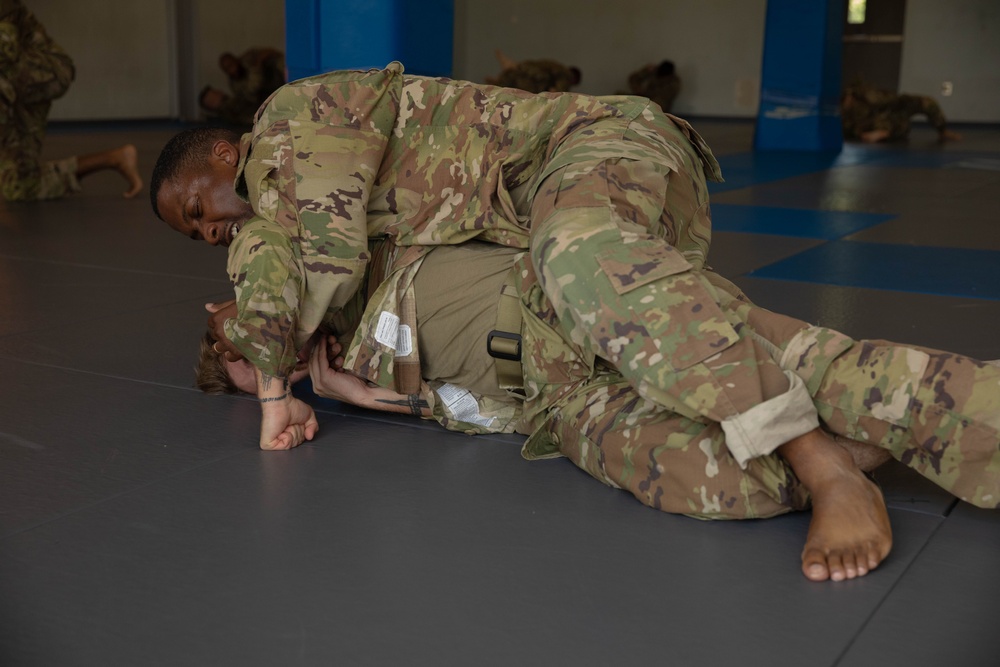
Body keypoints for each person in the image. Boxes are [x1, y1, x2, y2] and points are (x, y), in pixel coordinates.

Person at [150, 63, 1000, 584]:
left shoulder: (287, 141)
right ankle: (849, 442)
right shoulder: (353, 293)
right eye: (195, 237)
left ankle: (820, 461)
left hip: (587, 158)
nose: (208, 232)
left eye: (197, 211)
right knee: (695, 475)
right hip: (562, 383)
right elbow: (468, 409)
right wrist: (343, 390)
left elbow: (283, 264)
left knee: (584, 258)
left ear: (223, 157)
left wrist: (271, 390)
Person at [0, 0, 142, 201]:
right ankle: (114, 159)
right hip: (14, 86)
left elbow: (7, 51)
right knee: (19, 186)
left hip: (48, 70)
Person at [840, 82, 961, 144]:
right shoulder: (845, 116)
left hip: (896, 108)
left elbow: (890, 99)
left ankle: (942, 131)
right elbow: (853, 131)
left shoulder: (867, 96)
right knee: (885, 122)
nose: (849, 100)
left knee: (927, 102)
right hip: (889, 124)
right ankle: (884, 132)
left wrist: (941, 128)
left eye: (850, 97)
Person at [199, 47, 285, 127]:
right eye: (215, 94)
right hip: (269, 112)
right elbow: (253, 90)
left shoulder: (247, 59)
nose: (220, 91)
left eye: (231, 64)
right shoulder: (231, 109)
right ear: (212, 104)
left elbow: (270, 53)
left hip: (276, 82)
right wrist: (258, 65)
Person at [485, 49, 581, 93]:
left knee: (515, 80)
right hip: (535, 80)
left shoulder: (558, 67)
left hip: (530, 73)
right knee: (518, 85)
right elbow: (559, 90)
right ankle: (499, 82)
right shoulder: (565, 75)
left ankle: (499, 82)